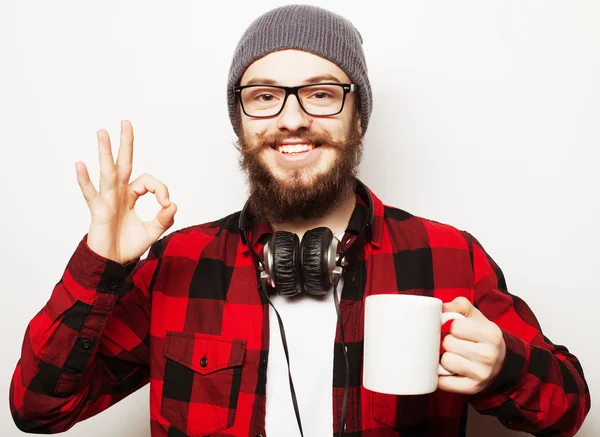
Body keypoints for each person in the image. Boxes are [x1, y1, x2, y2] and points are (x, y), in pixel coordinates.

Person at [9, 4, 590, 437]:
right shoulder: (176, 265)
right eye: (263, 96)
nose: (291, 118)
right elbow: (39, 409)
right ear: (239, 120)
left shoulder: (448, 257)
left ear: (358, 115)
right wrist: (102, 264)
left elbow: (570, 410)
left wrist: (505, 367)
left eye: (320, 93)